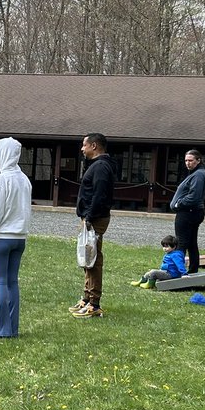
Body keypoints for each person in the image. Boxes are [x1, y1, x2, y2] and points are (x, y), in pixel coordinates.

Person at [0, 137, 32, 338]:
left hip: (2, 238)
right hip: (19, 239)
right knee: (12, 283)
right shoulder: (24, 179)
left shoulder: (2, 180)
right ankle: (12, 328)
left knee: (0, 283)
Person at [71, 133, 117, 319]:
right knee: (87, 257)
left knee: (93, 259)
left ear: (94, 146)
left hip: (95, 219)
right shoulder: (98, 165)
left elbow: (99, 195)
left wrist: (89, 217)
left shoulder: (101, 167)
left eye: (84, 145)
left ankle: (94, 303)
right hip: (90, 218)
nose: (82, 149)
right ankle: (86, 297)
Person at [170, 148, 205, 274]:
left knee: (181, 243)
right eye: (186, 160)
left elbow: (194, 196)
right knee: (191, 243)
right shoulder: (195, 174)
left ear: (198, 160)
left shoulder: (198, 175)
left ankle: (177, 271)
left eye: (191, 160)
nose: (188, 163)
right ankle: (192, 270)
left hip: (188, 212)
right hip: (192, 212)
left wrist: (178, 203)